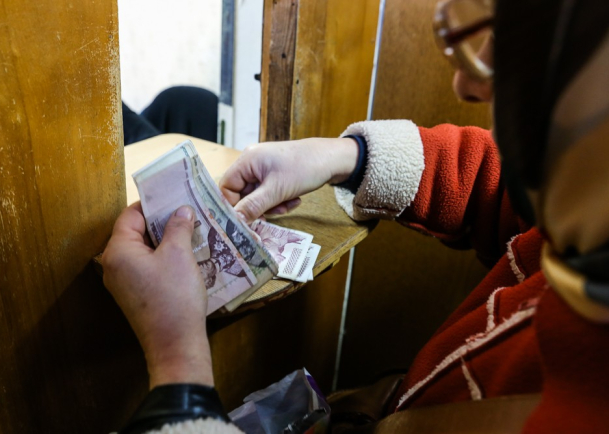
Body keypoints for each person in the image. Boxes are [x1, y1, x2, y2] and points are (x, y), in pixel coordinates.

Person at [101, 0, 609, 432]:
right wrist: (346, 157)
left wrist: (177, 361)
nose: (465, 85)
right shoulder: (587, 207)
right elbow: (495, 185)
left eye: (526, 43)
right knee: (186, 103)